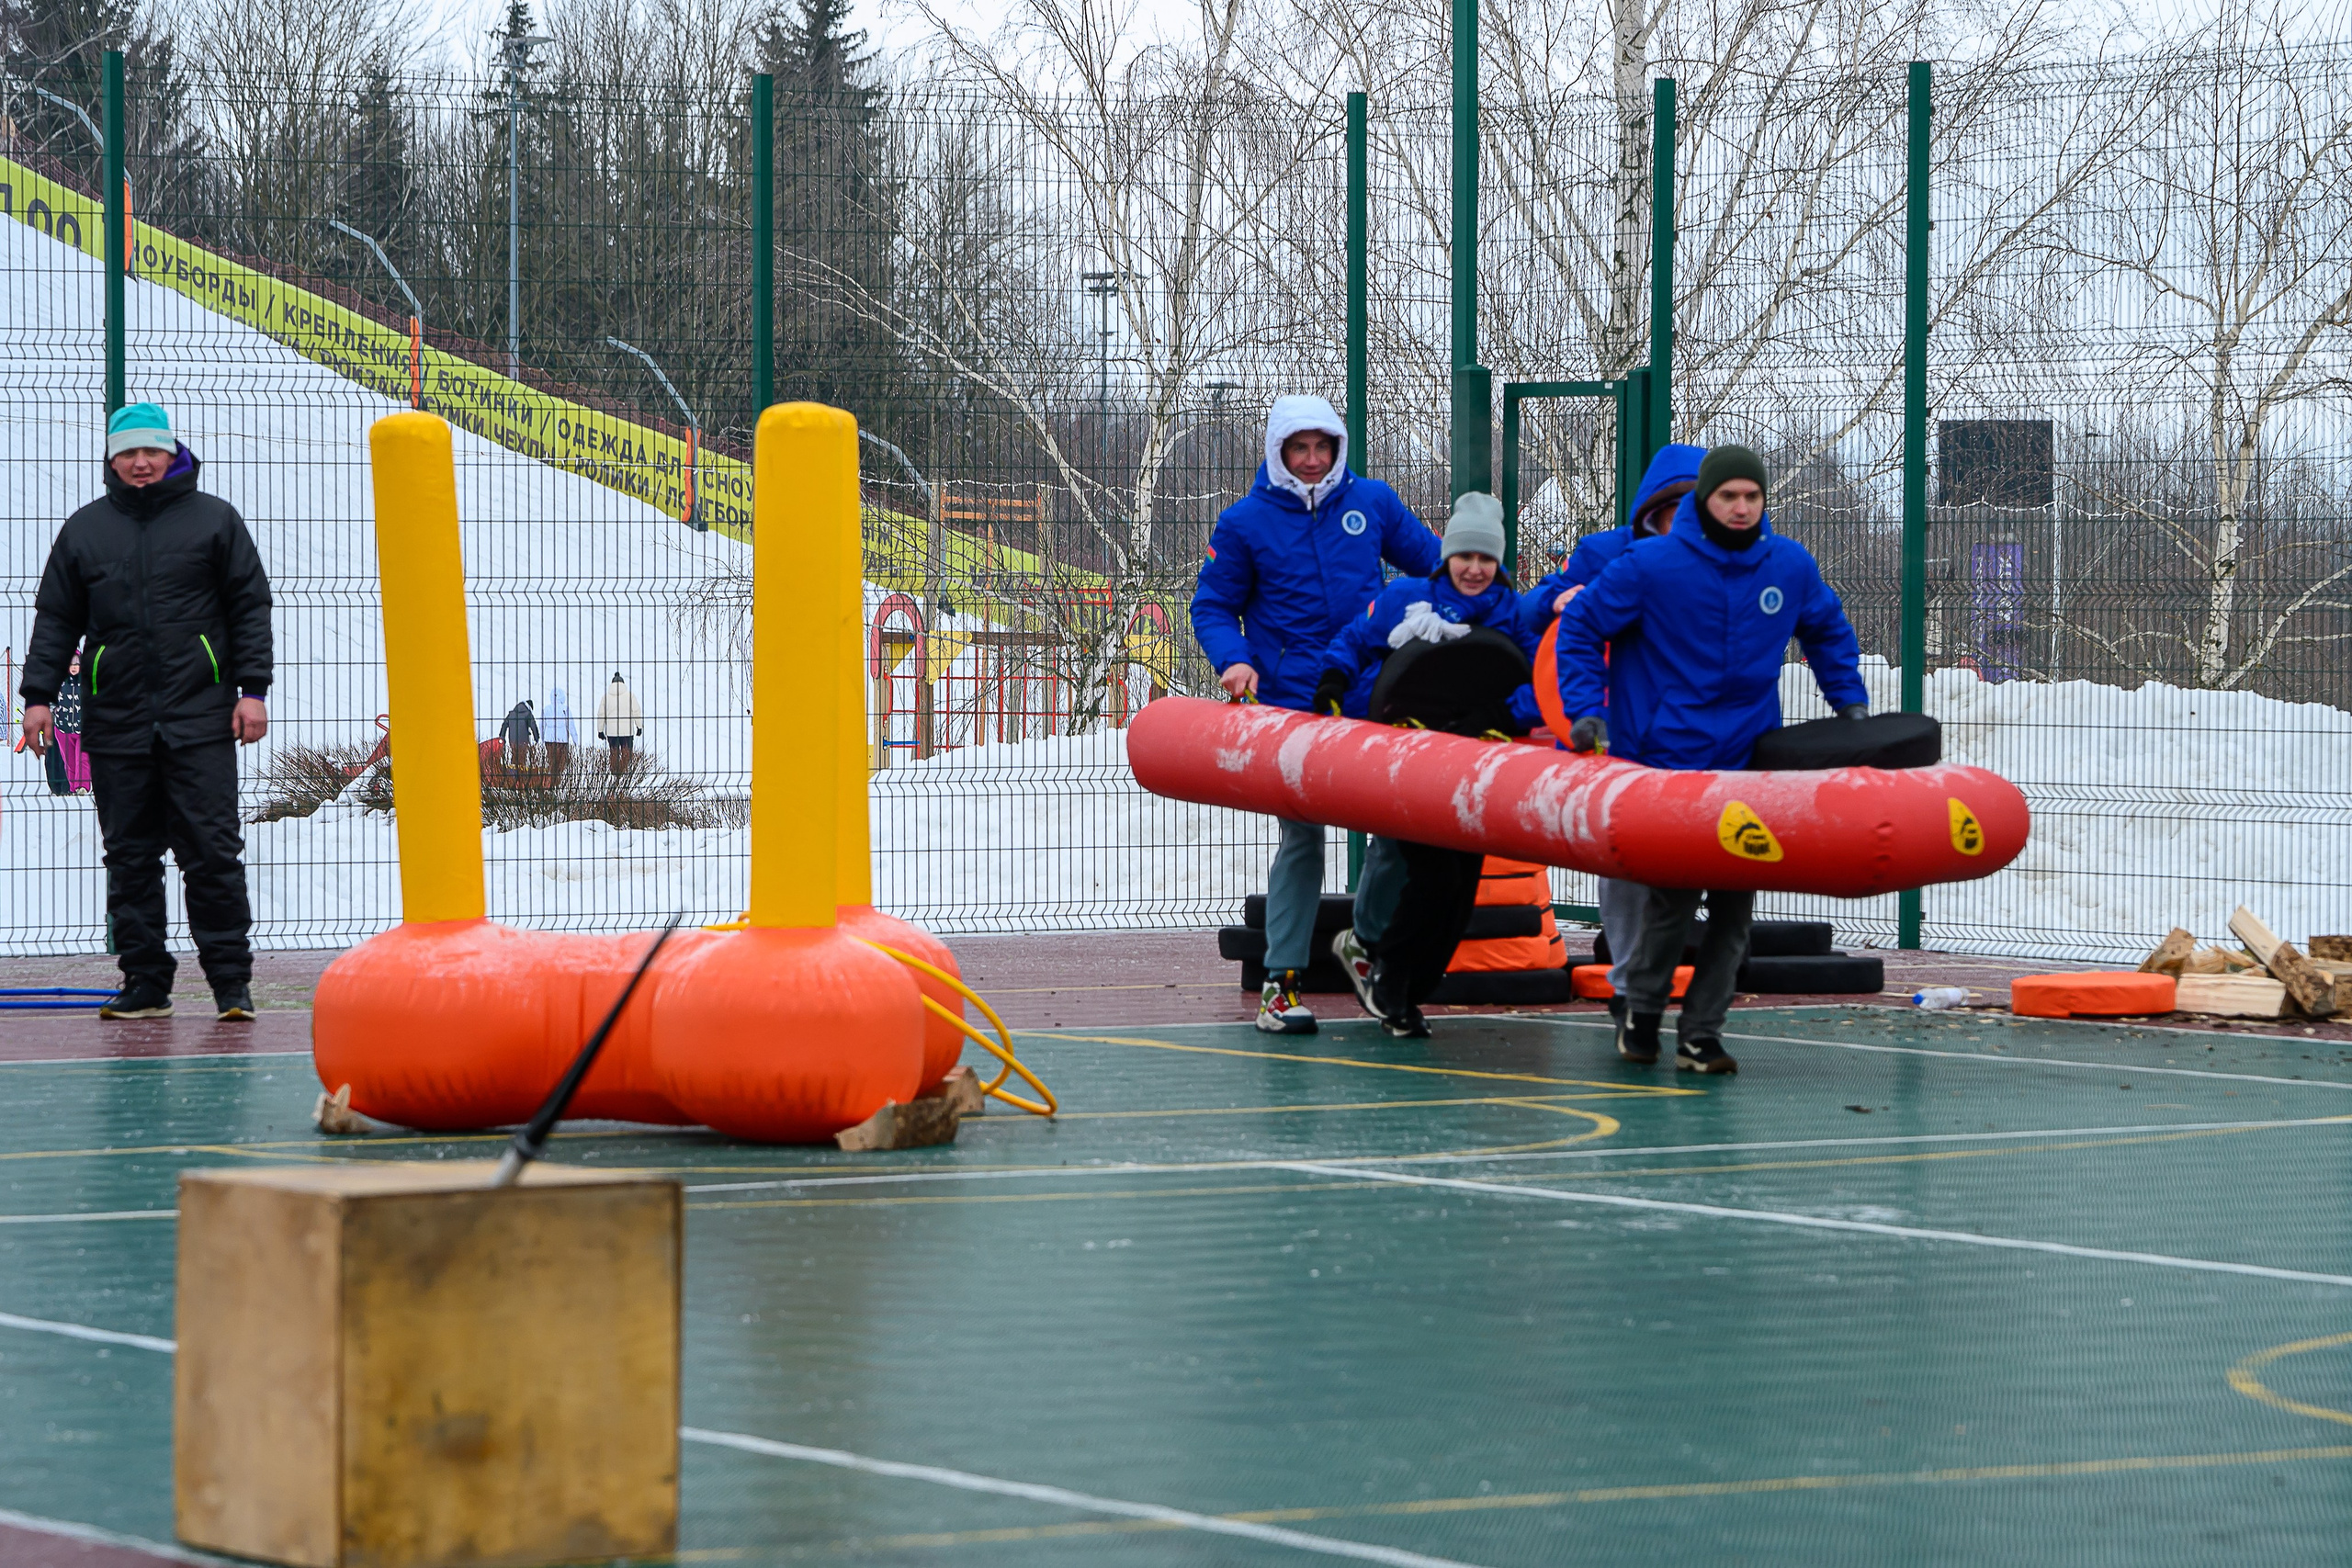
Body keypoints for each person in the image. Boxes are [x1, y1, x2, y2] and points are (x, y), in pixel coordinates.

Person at [1555, 445, 1867, 1073]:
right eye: (1729, 496)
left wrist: (1850, 703)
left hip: (1746, 759)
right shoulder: (1651, 564)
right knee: (1670, 905)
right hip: (1668, 758)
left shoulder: (1787, 566)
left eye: (1752, 496)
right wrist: (1587, 709)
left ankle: (1702, 1032)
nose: (1741, 507)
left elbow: (1827, 628)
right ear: (1707, 500)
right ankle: (1641, 1012)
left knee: (1733, 911)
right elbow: (1581, 627)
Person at [1191, 394, 1441, 1034]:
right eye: (1298, 448)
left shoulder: (1373, 503)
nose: (1310, 459)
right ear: (1278, 451)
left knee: (1396, 830)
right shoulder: (1244, 523)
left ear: (1337, 448)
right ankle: (1281, 985)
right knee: (1302, 839)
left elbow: (1438, 567)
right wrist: (1235, 659)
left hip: (1367, 696)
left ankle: (1365, 943)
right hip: (1290, 704)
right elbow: (1213, 606)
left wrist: (1483, 589)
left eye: (1321, 447)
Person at [18, 403, 273, 1021]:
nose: (139, 462)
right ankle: (146, 983)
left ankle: (231, 987)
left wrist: (252, 689)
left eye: (149, 451)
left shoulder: (216, 522)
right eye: (127, 452)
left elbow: (250, 608)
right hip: (118, 723)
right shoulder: (85, 531)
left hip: (201, 721)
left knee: (211, 853)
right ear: (112, 459)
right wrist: (37, 698)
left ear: (170, 452)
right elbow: (57, 620)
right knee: (130, 858)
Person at [1313, 491, 1541, 1037]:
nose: (1475, 568)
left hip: (1473, 763)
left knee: (1462, 885)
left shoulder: (1512, 614)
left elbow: (1542, 684)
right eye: (1465, 556)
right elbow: (1353, 639)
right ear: (1447, 557)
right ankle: (1389, 974)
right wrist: (1334, 682)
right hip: (1408, 756)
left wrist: (1500, 712)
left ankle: (1409, 993)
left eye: (1486, 559)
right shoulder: (1408, 599)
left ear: (1499, 563)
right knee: (1431, 873)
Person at [1521, 444, 1705, 1021]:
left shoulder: (1732, 561)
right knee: (1624, 858)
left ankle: (1651, 973)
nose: (1689, 522)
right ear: (1655, 511)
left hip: (1695, 732)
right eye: (1678, 510)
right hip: (1622, 728)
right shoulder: (1605, 553)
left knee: (1683, 864)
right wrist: (1559, 596)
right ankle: (1630, 986)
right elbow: (1536, 613)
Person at [53, 648, 93, 794]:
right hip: (63, 728)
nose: (74, 667)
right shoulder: (58, 680)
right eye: (70, 664)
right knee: (69, 762)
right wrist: (52, 707)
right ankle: (72, 789)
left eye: (77, 664)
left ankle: (82, 787)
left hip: (84, 729)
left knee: (82, 758)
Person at [595, 672, 641, 761]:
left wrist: (600, 730)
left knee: (614, 755)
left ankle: (614, 772)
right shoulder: (630, 696)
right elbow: (637, 711)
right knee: (627, 756)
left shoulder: (605, 697)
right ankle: (627, 772)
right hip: (627, 732)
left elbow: (601, 714)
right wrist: (639, 727)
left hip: (612, 732)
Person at [499, 698, 539, 771]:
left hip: (512, 740)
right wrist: (537, 738)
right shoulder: (528, 714)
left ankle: (513, 776)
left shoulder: (511, 714)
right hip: (523, 741)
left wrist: (502, 736)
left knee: (514, 758)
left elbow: (504, 725)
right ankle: (521, 776)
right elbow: (534, 726)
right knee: (522, 759)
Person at [544, 684, 575, 773]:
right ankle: (559, 778)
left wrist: (542, 738)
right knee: (561, 762)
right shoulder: (565, 709)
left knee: (551, 761)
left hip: (549, 740)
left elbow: (542, 725)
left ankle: (551, 779)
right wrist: (575, 739)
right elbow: (571, 725)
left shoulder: (547, 709)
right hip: (562, 740)